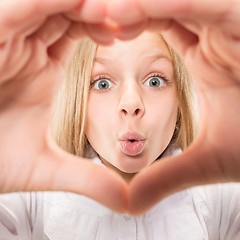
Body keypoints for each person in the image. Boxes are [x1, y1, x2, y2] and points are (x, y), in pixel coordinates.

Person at [1, 0, 240, 234]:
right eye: (103, 83)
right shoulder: (33, 193)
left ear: (180, 102)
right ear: (78, 102)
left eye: (154, 81)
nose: (131, 104)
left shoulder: (220, 193)